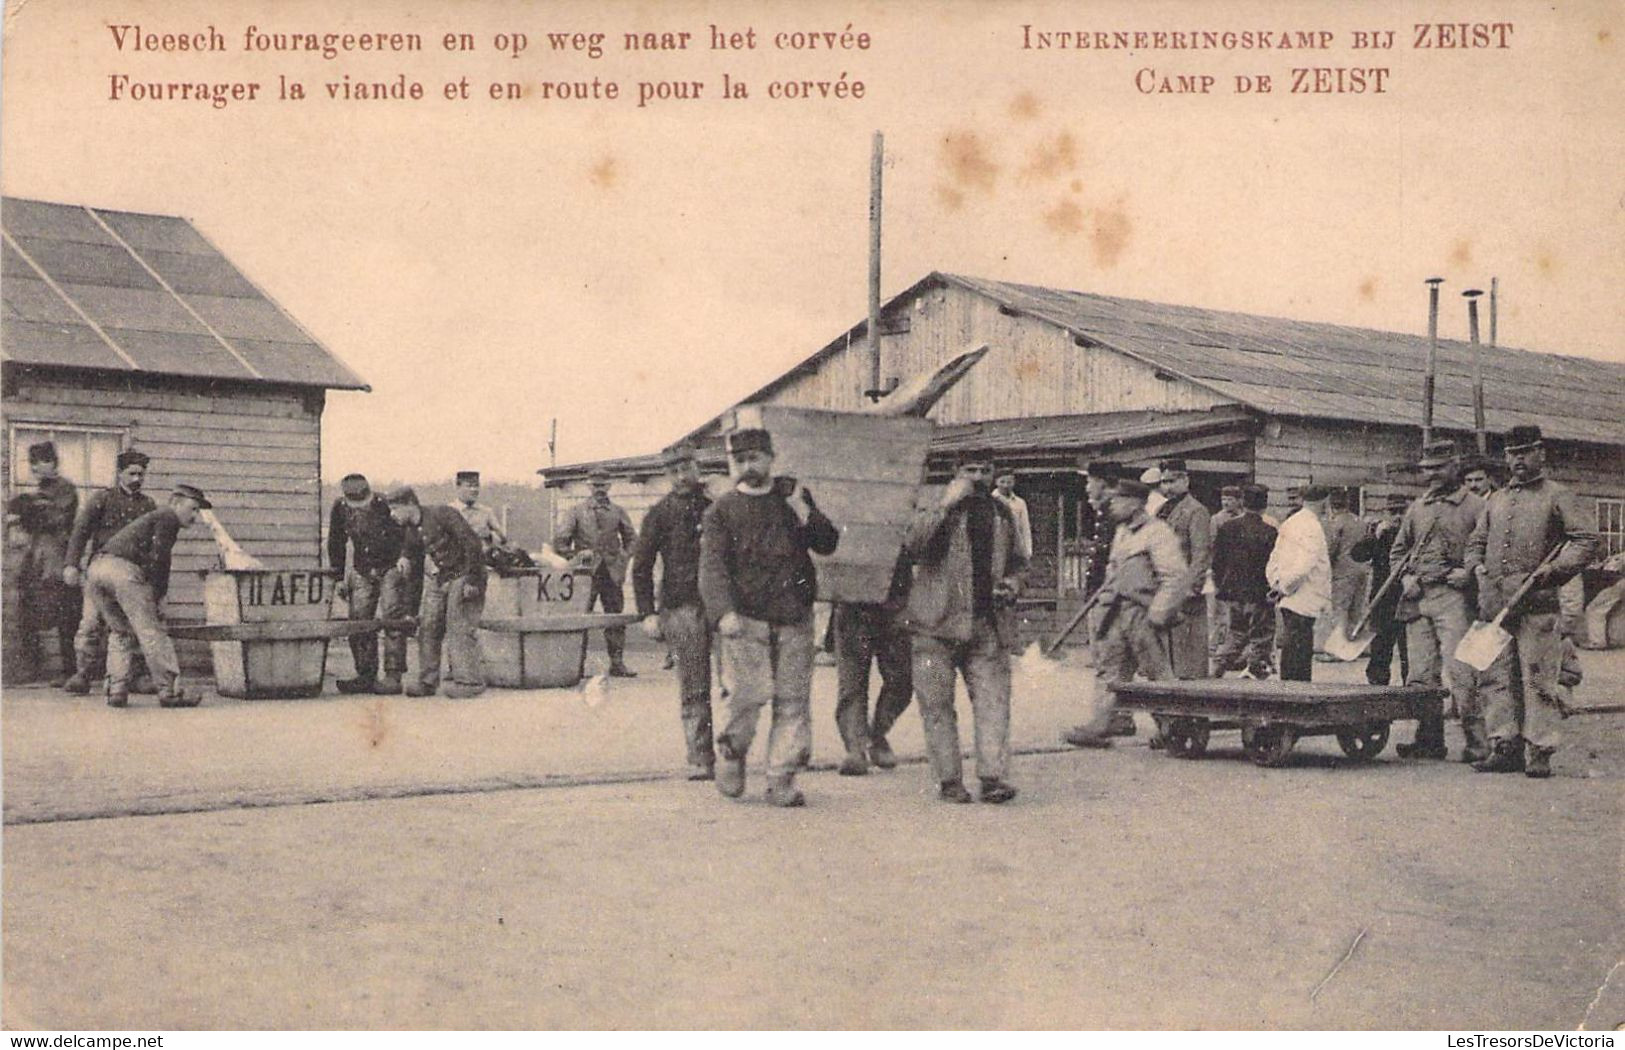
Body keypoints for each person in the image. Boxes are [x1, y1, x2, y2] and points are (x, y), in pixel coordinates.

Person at [699, 428, 839, 807]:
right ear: (732, 464)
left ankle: (782, 779)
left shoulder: (791, 500)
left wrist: (802, 508)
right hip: (745, 620)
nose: (748, 466)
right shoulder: (720, 512)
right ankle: (732, 752)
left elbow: (827, 543)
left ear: (770, 458)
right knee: (747, 696)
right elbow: (712, 567)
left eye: (755, 458)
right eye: (740, 460)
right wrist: (723, 612)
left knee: (793, 701)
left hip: (794, 616)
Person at [1466, 426, 1600, 778]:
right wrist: (1477, 567)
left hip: (1537, 603)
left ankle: (1539, 749)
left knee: (1538, 678)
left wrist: (1555, 571)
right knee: (1495, 677)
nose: (1518, 460)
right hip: (1494, 603)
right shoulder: (1496, 500)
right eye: (1512, 454)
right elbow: (1475, 542)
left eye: (1525, 452)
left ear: (1541, 453)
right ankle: (1504, 744)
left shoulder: (1558, 496)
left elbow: (1586, 540)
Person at [902, 450, 1028, 803]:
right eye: (970, 470)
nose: (977, 477)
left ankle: (992, 778)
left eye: (985, 470)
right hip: (933, 624)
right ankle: (949, 780)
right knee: (937, 705)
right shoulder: (933, 504)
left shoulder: (1002, 514)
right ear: (956, 472)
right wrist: (945, 504)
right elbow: (912, 544)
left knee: (993, 702)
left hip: (986, 624)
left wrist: (1014, 584)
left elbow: (1020, 562)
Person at [1069, 478, 1186, 745]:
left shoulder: (1158, 533)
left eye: (1120, 500)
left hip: (1142, 613)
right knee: (1109, 668)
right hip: (1116, 609)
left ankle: (1175, 727)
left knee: (1156, 673)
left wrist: (1159, 612)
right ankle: (1102, 725)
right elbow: (1114, 571)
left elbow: (1175, 577)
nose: (1113, 505)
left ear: (1135, 504)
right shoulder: (1122, 532)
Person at [1389, 441, 1484, 759]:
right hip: (1418, 598)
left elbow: (1487, 549)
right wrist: (1405, 578)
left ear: (1455, 465)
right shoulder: (1418, 508)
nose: (1431, 474)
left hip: (1454, 598)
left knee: (1462, 671)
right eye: (1427, 468)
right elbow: (1399, 552)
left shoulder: (1476, 507)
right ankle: (1429, 740)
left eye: (1438, 468)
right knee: (1421, 675)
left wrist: (1468, 572)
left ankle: (1478, 743)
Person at [632, 444, 717, 780]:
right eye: (674, 471)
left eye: (687, 468)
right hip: (682, 607)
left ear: (697, 467)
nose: (682, 476)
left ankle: (731, 752)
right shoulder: (659, 514)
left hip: (721, 606)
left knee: (735, 684)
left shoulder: (716, 509)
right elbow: (641, 567)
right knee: (695, 686)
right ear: (667, 475)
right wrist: (647, 614)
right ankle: (700, 757)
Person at [86, 485, 212, 708]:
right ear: (176, 503)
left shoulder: (156, 516)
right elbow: (160, 558)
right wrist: (159, 596)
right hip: (122, 571)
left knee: (120, 631)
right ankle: (170, 692)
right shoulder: (167, 516)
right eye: (193, 509)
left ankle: (116, 689)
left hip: (96, 569)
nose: (195, 517)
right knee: (152, 631)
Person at [62, 450, 157, 694]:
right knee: (90, 624)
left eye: (141, 474)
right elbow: (80, 532)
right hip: (100, 573)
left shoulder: (148, 505)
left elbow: (153, 544)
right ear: (119, 473)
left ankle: (135, 676)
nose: (137, 478)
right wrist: (71, 564)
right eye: (132, 473)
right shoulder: (102, 499)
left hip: (132, 575)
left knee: (135, 625)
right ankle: (83, 674)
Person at [385, 486, 488, 699]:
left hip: (465, 575)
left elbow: (473, 544)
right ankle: (427, 682)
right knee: (429, 627)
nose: (392, 515)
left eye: (395, 509)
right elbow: (413, 576)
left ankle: (470, 682)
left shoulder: (442, 514)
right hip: (441, 577)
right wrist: (411, 610)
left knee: (458, 626)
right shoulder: (412, 532)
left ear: (409, 505)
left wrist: (472, 580)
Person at [1062, 460, 1136, 745]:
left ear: (1103, 483)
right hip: (1117, 597)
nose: (1087, 486)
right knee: (1125, 661)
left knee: (1108, 660)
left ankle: (1099, 726)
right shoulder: (1111, 512)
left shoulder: (1115, 514)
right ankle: (1121, 717)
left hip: (1111, 598)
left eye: (1089, 481)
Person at [830, 554, 913, 776]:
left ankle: (877, 734)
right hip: (851, 602)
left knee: (903, 679)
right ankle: (855, 749)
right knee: (851, 683)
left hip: (896, 600)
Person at [327, 473, 409, 695]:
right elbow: (336, 544)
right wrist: (337, 579)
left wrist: (403, 556)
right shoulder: (340, 508)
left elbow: (405, 531)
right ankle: (365, 674)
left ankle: (393, 675)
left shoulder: (384, 504)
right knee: (359, 620)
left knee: (393, 619)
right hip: (362, 569)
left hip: (390, 567)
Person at [555, 467, 639, 677]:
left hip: (612, 572)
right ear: (588, 486)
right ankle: (577, 664)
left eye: (603, 485)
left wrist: (623, 558)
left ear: (609, 486)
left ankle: (617, 663)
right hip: (585, 574)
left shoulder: (618, 512)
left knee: (615, 618)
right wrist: (576, 555)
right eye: (595, 485)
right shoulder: (576, 511)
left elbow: (632, 539)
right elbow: (560, 542)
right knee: (581, 618)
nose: (599, 489)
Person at [7, 442, 79, 684]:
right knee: (27, 613)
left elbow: (55, 518)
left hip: (58, 560)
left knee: (66, 619)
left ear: (54, 463)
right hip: (36, 561)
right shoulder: (39, 493)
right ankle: (31, 669)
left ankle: (71, 672)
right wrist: (25, 509)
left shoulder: (66, 489)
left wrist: (28, 507)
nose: (36, 467)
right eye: (33, 462)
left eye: (42, 461)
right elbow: (26, 521)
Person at [1212, 483, 1278, 679]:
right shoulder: (1270, 532)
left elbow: (1218, 562)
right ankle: (1255, 670)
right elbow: (1273, 565)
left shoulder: (1227, 527)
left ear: (1243, 502)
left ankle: (1217, 668)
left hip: (1232, 591)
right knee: (1261, 635)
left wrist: (1222, 584)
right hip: (1259, 593)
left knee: (1235, 632)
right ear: (1264, 506)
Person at [1266, 484, 1332, 682]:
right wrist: (1287, 587)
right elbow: (1305, 565)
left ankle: (1290, 694)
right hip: (1303, 597)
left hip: (1290, 595)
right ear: (1324, 502)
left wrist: (1276, 583)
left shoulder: (1291, 522)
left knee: (1291, 649)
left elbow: (1274, 558)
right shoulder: (1312, 526)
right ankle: (1297, 697)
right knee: (1299, 653)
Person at [1154, 458, 1211, 681]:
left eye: (1172, 481)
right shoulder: (1162, 509)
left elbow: (1201, 554)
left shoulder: (1196, 511)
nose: (1166, 487)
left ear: (1185, 480)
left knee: (1188, 658)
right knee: (1166, 657)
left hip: (1186, 595)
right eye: (1163, 482)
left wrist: (1190, 588)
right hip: (1163, 590)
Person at [1352, 493, 1410, 687]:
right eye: (1393, 512)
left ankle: (1409, 691)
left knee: (1408, 651)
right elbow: (1357, 555)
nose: (1397, 517)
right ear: (1386, 513)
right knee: (1380, 649)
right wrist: (1374, 536)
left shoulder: (1413, 534)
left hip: (1408, 598)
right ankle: (1377, 688)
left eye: (1401, 511)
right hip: (1382, 599)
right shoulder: (1379, 533)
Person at [1316, 491, 1369, 657]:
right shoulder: (1360, 521)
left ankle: (1336, 651)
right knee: (1356, 610)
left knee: (1340, 611)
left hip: (1342, 572)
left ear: (1331, 505)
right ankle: (1353, 649)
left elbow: (1331, 550)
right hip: (1361, 570)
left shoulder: (1335, 524)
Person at [450, 470, 507, 550]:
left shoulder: (486, 512)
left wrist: (489, 536)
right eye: (469, 486)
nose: (474, 490)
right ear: (458, 487)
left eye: (476, 486)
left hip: (481, 559)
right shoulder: (449, 511)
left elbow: (502, 539)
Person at [992, 469, 1033, 562]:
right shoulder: (990, 501)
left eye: (1009, 482)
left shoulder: (1020, 503)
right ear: (996, 482)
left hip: (1014, 548)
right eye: (1002, 482)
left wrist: (1028, 551)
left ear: (1013, 483)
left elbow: (1025, 527)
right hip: (995, 548)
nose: (1005, 485)